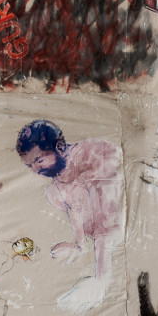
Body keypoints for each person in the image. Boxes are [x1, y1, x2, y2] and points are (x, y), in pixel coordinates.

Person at [16, 120, 121, 281]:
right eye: (30, 166)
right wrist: (79, 244)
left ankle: (100, 270)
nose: (36, 170)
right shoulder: (61, 168)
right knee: (53, 192)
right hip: (94, 200)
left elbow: (100, 217)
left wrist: (101, 279)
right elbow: (73, 204)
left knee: (71, 195)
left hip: (115, 198)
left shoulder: (89, 158)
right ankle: (85, 245)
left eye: (39, 161)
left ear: (59, 147)